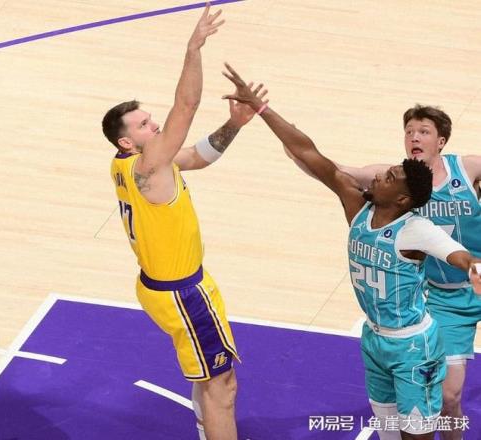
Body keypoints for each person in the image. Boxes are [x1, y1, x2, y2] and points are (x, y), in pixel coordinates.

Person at [221, 64, 481, 440]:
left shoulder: (416, 229)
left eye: (388, 178)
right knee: (388, 430)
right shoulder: (356, 206)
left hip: (413, 346)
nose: (377, 176)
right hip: (374, 339)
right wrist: (262, 110)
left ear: (403, 199)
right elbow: (309, 153)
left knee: (421, 431)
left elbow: (459, 256)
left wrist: (474, 269)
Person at [102, 8, 266, 440]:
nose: (155, 124)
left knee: (207, 376)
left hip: (166, 284)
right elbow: (187, 105)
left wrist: (234, 123)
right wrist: (194, 48)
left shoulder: (134, 164)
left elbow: (197, 156)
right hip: (182, 292)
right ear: (126, 141)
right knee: (222, 387)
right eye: (144, 124)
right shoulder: (148, 166)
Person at [285, 104, 480, 440]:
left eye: (423, 131)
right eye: (409, 131)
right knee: (449, 398)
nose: (414, 137)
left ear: (441, 140)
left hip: (474, 274)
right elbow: (334, 171)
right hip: (446, 298)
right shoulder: (395, 180)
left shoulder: (467, 168)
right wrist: (292, 147)